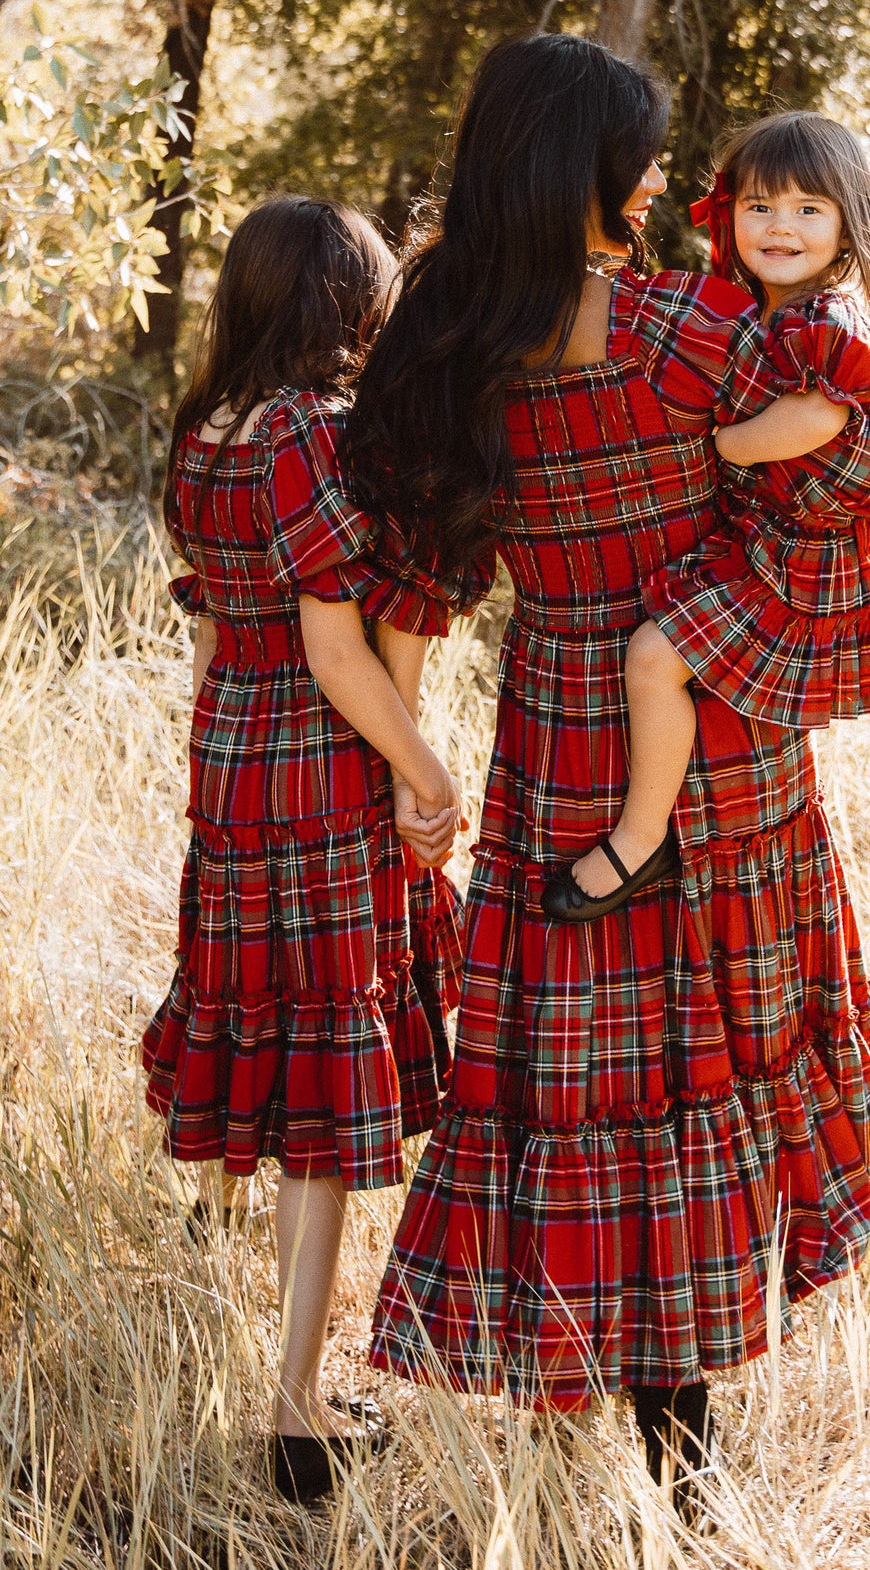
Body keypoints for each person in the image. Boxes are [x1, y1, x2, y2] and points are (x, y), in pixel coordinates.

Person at [341, 35, 870, 1513]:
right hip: (718, 729)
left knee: (583, 1072)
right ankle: (689, 1473)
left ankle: (587, 1418)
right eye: (652, 156)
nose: (676, 180)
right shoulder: (690, 332)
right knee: (711, 1054)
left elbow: (414, 581)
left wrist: (418, 774)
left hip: (559, 731)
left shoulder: (445, 350)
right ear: (589, 172)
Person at [141, 196, 465, 1503]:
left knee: (272, 1062)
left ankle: (270, 1377)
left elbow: (220, 632)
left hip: (232, 773)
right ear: (348, 303)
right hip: (317, 780)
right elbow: (337, 654)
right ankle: (292, 1412)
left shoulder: (206, 429)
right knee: (328, 1106)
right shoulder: (311, 436)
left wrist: (214, 777)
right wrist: (428, 774)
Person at [552, 110, 870, 918]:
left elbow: (820, 418)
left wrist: (727, 446)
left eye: (808, 210)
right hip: (770, 549)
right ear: (728, 213)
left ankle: (640, 837)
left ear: (848, 225)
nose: (780, 226)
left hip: (795, 567)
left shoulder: (823, 318)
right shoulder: (760, 312)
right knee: (666, 656)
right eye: (760, 205)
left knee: (656, 657)